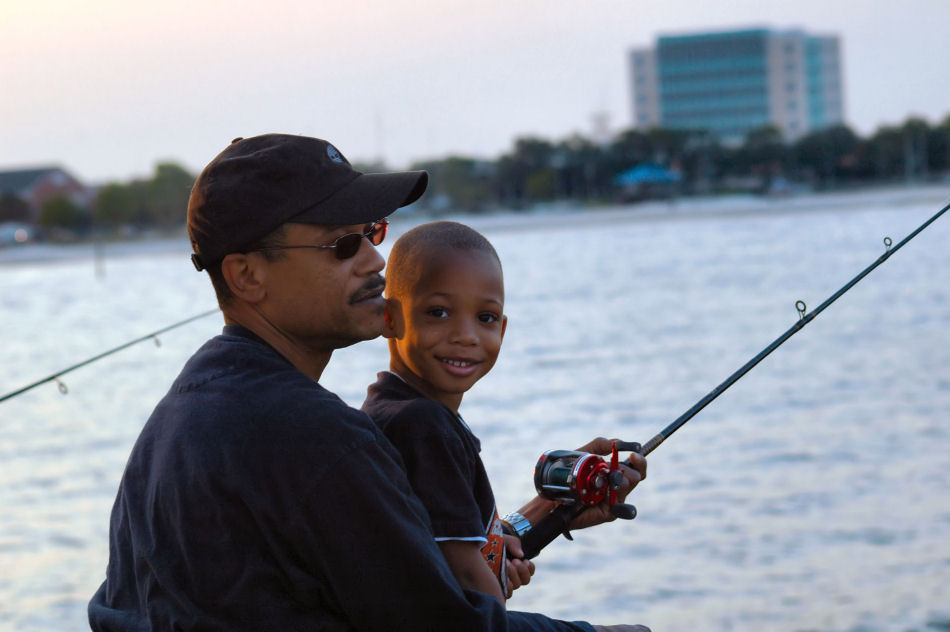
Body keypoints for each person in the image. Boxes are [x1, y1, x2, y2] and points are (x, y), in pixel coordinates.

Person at [88, 133, 650, 631]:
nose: (375, 261)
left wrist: (549, 513)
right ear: (246, 275)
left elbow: (419, 576)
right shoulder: (314, 437)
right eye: (342, 245)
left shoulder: (193, 404)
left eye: (372, 232)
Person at [363, 222, 648, 608]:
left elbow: (445, 553)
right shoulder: (423, 426)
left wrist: (552, 511)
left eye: (486, 318)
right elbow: (467, 585)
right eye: (439, 312)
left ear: (504, 328)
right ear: (389, 318)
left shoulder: (391, 410)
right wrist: (491, 586)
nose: (466, 335)